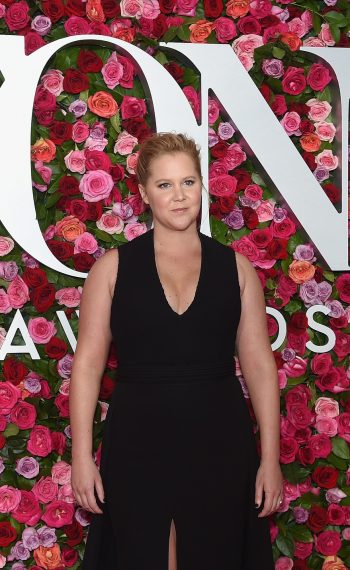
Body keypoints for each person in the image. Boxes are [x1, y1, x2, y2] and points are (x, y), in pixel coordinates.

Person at [70, 131, 283, 569]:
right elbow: (88, 367)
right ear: (145, 194)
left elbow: (260, 366)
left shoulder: (237, 270)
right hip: (137, 443)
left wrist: (270, 460)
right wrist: (81, 458)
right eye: (165, 185)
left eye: (188, 182)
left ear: (202, 186)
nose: (179, 196)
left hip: (220, 444)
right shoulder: (110, 270)